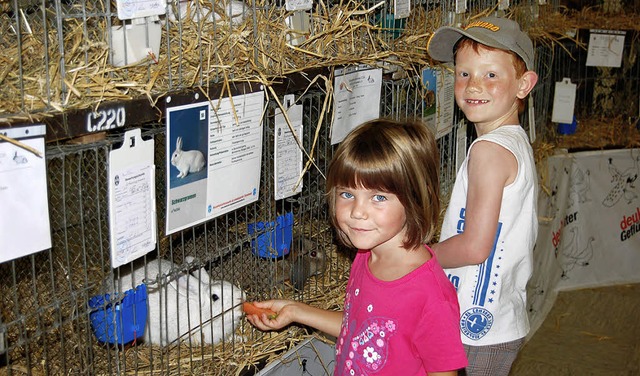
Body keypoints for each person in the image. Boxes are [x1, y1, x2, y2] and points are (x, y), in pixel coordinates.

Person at [246, 119, 468, 375]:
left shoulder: (430, 296)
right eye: (347, 194)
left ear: (414, 199)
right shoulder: (366, 256)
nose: (357, 212)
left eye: (379, 197)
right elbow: (359, 330)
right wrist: (295, 311)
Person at [427, 17, 539, 376]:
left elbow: (475, 247)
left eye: (491, 74)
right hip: (496, 317)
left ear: (524, 84)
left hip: (478, 325)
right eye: (464, 73)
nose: (474, 84)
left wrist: (419, 258)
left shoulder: (489, 151)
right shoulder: (514, 140)